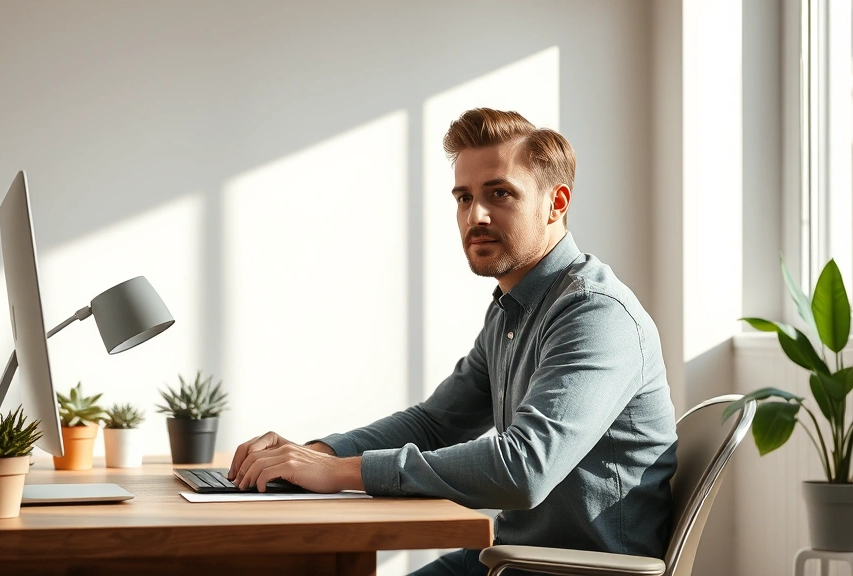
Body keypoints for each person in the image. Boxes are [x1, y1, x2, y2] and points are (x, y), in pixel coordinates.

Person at [228, 108, 677, 575]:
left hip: (563, 570)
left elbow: (523, 469)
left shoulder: (596, 314)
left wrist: (339, 473)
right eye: (463, 198)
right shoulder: (512, 310)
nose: (474, 215)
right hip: (501, 561)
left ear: (556, 203)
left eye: (499, 193)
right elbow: (434, 423)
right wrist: (316, 454)